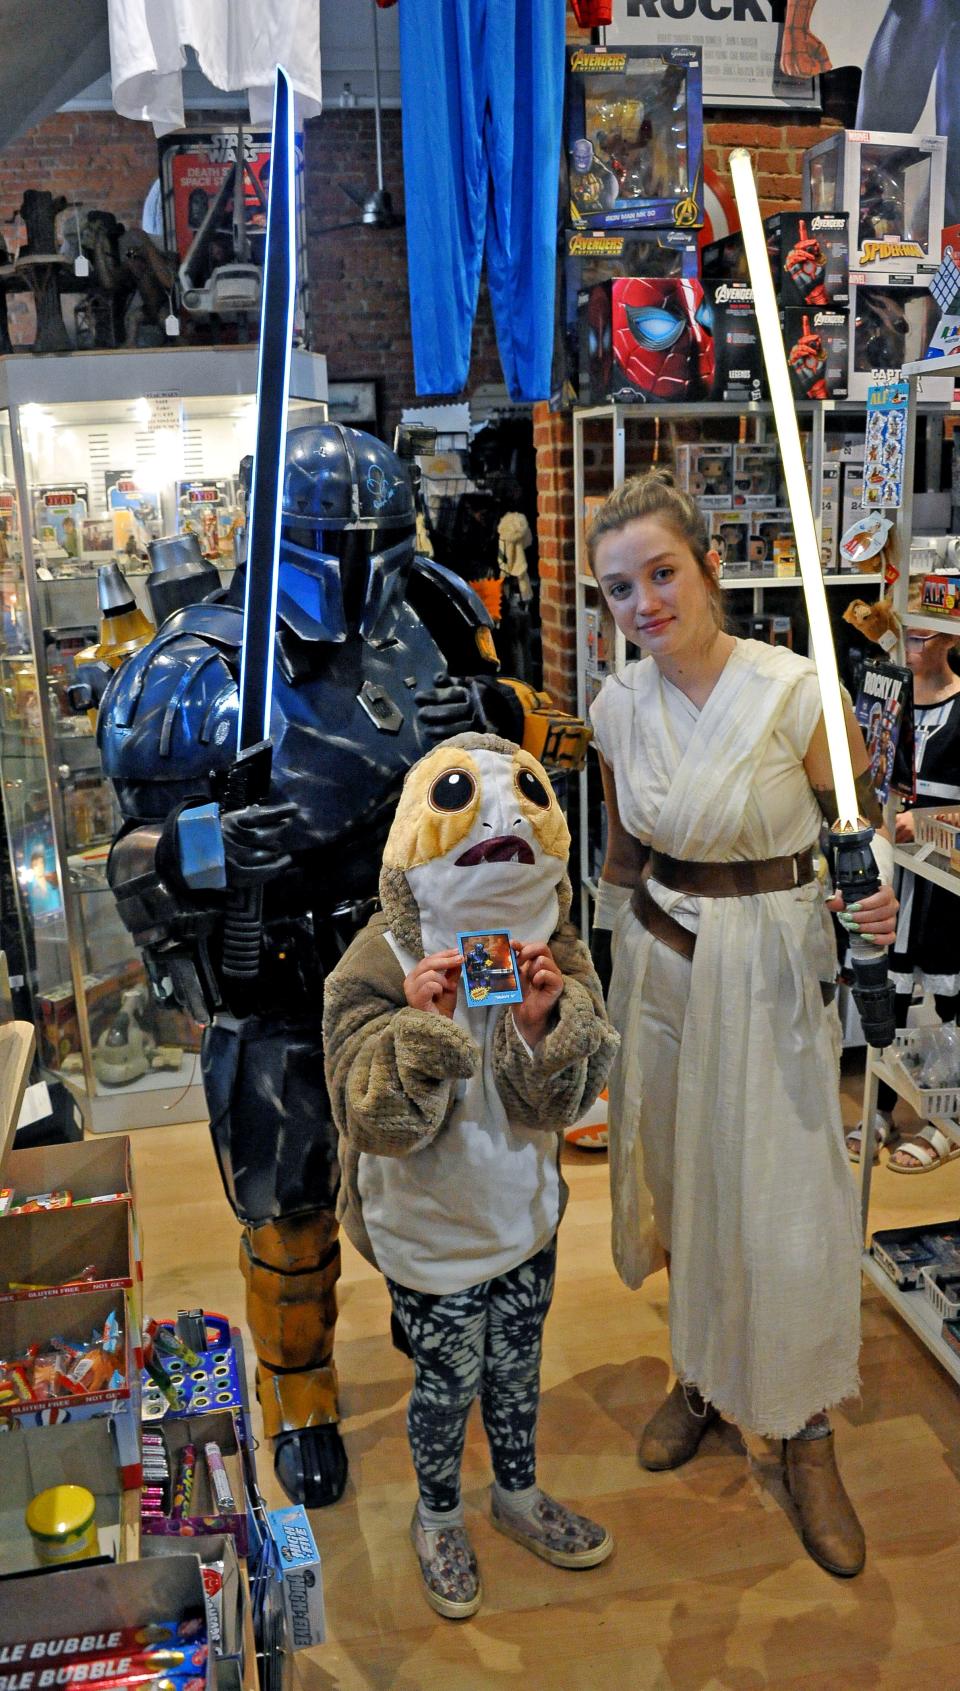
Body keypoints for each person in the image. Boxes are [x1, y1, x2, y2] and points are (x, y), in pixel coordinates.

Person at [586, 470, 897, 1580]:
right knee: (688, 1177)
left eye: (661, 573)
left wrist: (873, 896)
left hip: (769, 966)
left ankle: (806, 1430)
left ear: (706, 565)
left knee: (784, 1196)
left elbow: (857, 829)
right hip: (663, 972)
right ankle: (707, 1379)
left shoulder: (792, 691)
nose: (645, 603)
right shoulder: (617, 705)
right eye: (620, 588)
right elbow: (625, 857)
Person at [324, 732, 619, 1619]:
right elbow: (360, 1103)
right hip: (428, 1223)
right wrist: (417, 1032)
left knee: (519, 1365)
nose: (497, 820)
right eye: (461, 798)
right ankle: (438, 1512)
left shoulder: (551, 945)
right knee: (446, 1381)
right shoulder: (382, 953)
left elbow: (572, 1091)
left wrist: (543, 1025)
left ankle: (517, 1494)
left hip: (524, 1210)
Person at [849, 630, 960, 1170]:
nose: (912, 644)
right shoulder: (889, 699)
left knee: (952, 994)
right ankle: (879, 1107)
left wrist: (935, 820)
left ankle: (950, 1119)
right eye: (907, 632)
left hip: (946, 872)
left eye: (923, 634)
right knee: (884, 987)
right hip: (892, 861)